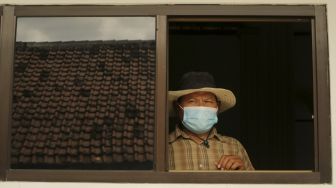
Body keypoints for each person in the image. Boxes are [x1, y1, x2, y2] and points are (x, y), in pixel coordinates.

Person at [168, 72, 254, 171]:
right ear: (177, 107)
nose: (201, 106)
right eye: (192, 101)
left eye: (208, 101)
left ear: (218, 107)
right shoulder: (163, 149)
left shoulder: (235, 147)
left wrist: (242, 173)